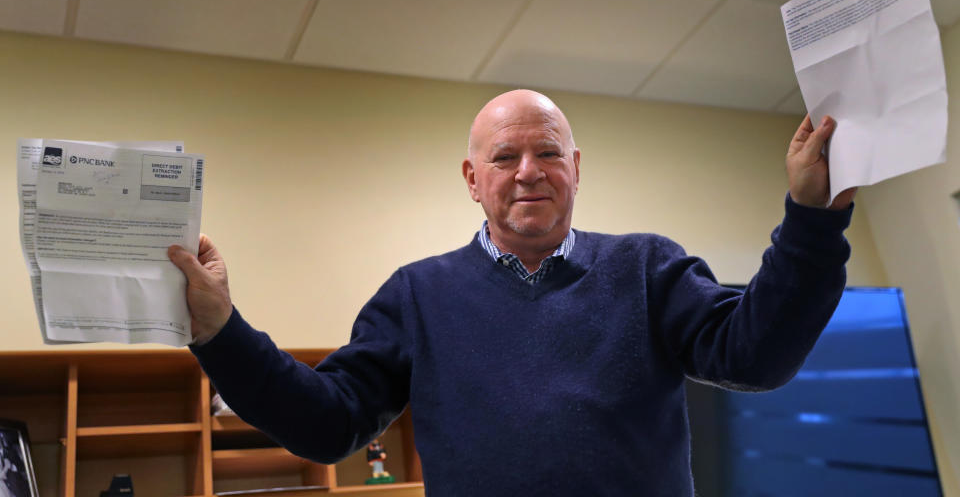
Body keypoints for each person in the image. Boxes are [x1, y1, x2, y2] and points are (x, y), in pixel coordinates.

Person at [168, 89, 856, 496]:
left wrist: (813, 221)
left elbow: (755, 357)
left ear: (576, 168)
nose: (529, 172)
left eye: (548, 152)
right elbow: (326, 424)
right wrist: (222, 332)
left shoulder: (648, 269)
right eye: (504, 157)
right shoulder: (416, 296)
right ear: (472, 179)